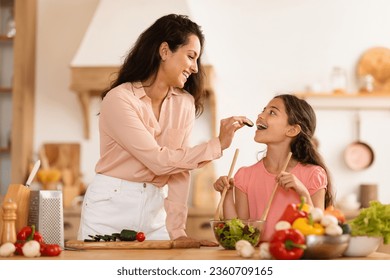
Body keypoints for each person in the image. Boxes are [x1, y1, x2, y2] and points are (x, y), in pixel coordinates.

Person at [77, 14, 251, 243]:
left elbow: (178, 169)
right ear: (165, 51)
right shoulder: (119, 99)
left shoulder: (184, 103)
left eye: (197, 59)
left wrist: (178, 231)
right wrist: (217, 145)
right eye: (190, 56)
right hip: (110, 208)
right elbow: (158, 161)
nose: (195, 68)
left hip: (155, 212)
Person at [213, 94, 333, 241]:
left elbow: (319, 230)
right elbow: (240, 234)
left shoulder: (314, 174)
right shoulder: (244, 175)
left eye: (272, 112)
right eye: (263, 110)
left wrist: (303, 193)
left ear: (292, 130)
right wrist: (226, 194)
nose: (260, 115)